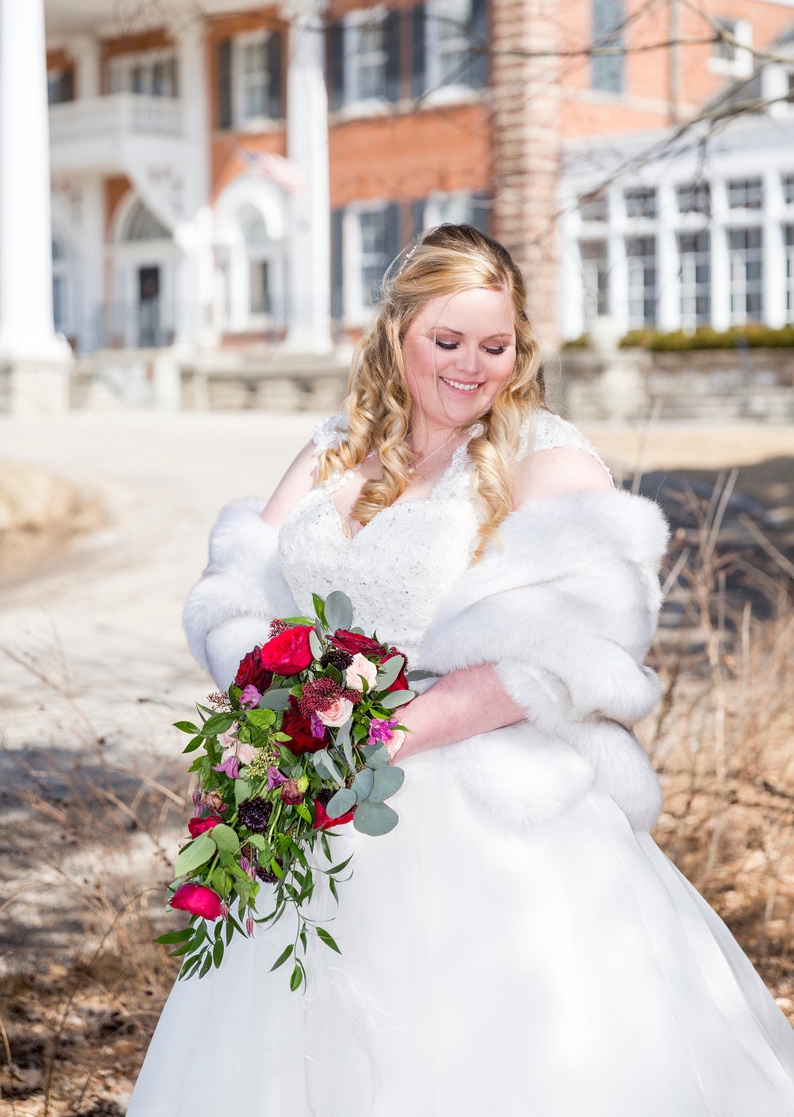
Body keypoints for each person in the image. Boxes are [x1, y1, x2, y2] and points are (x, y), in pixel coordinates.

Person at [128, 224, 794, 1116]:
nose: (471, 367)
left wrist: (377, 741)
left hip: (485, 805)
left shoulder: (547, 461)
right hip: (316, 797)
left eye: (496, 344)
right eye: (446, 341)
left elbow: (561, 652)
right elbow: (238, 590)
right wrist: (274, 723)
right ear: (397, 332)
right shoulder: (335, 446)